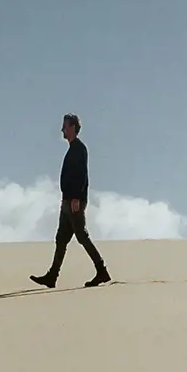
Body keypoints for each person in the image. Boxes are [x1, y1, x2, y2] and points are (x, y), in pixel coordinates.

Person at [31, 113, 111, 289]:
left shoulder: (79, 149)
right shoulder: (72, 148)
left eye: (65, 126)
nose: (62, 129)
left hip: (74, 201)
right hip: (67, 201)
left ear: (73, 127)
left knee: (81, 235)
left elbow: (82, 175)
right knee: (61, 238)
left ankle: (101, 270)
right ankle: (52, 276)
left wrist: (76, 197)